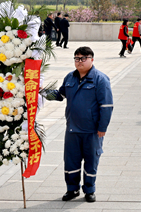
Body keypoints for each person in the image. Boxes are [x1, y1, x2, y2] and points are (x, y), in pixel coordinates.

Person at [47, 46, 113, 203]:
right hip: (72, 129)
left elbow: (106, 106)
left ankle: (89, 190)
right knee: (71, 161)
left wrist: (102, 128)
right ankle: (72, 189)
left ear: (92, 59)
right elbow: (60, 95)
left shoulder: (100, 79)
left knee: (91, 161)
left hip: (92, 131)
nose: (80, 61)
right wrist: (41, 92)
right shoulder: (70, 78)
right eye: (77, 58)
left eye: (84, 58)